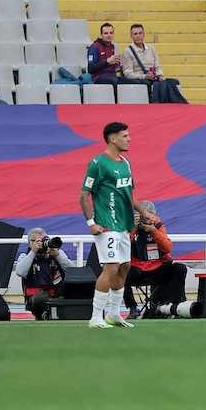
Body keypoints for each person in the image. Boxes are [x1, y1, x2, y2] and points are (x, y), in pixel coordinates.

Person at [80, 121, 148, 329]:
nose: (129, 139)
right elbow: (84, 195)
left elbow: (128, 193)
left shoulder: (125, 162)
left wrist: (143, 212)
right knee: (111, 267)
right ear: (112, 138)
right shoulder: (98, 163)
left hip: (123, 225)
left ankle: (114, 314)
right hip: (106, 224)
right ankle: (95, 317)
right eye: (125, 136)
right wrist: (91, 223)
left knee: (125, 266)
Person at [122, 201, 188, 319]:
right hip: (138, 270)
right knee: (120, 271)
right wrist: (134, 229)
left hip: (158, 268)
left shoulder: (158, 225)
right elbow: (122, 247)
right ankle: (132, 308)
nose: (145, 219)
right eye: (142, 216)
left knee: (180, 269)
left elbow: (167, 248)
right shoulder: (129, 226)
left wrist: (153, 231)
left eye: (148, 216)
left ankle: (175, 306)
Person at [14, 227, 73, 319]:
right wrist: (33, 251)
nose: (43, 243)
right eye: (39, 241)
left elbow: (72, 270)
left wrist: (58, 255)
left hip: (57, 292)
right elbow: (20, 272)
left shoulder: (57, 254)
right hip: (36, 297)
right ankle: (42, 315)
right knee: (40, 299)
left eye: (45, 240)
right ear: (30, 243)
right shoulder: (25, 256)